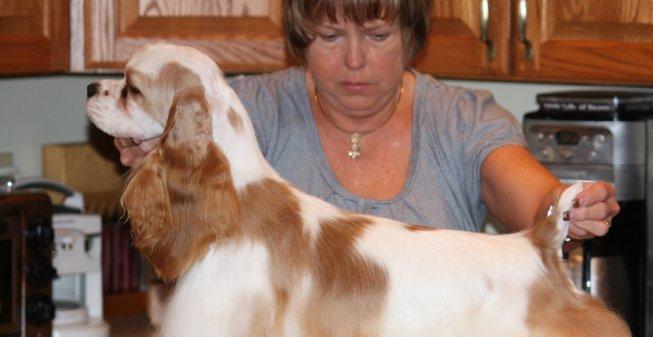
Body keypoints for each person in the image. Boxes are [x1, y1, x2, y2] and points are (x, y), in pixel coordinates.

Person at [115, 0, 618, 237]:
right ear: (301, 38)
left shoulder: (460, 119)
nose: (354, 61)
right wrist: (155, 154)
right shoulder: (248, 112)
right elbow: (184, 214)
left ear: (410, 36)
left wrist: (564, 207)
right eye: (330, 38)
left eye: (377, 36)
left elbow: (531, 198)